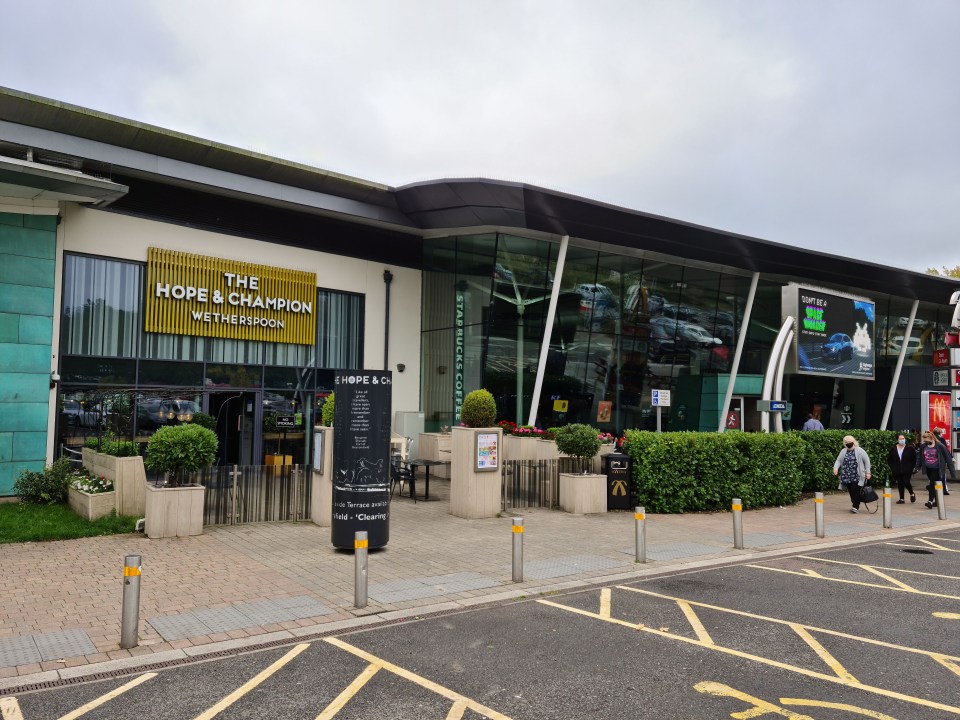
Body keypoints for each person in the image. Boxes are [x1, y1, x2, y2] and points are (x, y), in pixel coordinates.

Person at [916, 430, 956, 509]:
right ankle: (937, 501)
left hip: (937, 468)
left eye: (927, 440)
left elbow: (947, 458)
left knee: (932, 484)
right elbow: (920, 457)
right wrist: (916, 467)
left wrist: (952, 473)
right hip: (928, 469)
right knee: (936, 486)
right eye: (924, 441)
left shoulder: (940, 446)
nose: (925, 442)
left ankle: (930, 501)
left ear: (931, 438)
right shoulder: (923, 446)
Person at [833, 434, 871, 513]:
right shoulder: (843, 451)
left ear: (854, 442)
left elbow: (867, 461)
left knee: (855, 489)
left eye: (849, 442)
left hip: (857, 475)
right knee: (851, 491)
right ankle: (855, 503)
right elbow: (838, 460)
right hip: (847, 475)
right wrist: (836, 468)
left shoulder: (860, 450)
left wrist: (868, 472)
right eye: (846, 442)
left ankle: (855, 506)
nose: (848, 443)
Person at [886, 433, 917, 504]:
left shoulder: (910, 448)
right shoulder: (893, 449)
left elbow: (914, 458)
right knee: (900, 483)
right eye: (900, 439)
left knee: (906, 482)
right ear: (897, 440)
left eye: (903, 438)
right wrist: (892, 467)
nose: (902, 440)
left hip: (907, 469)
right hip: (897, 469)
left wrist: (912, 467)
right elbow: (889, 459)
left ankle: (912, 493)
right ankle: (901, 498)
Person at [933, 428, 951, 495]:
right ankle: (942, 490)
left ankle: (936, 489)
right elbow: (945, 449)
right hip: (941, 460)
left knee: (935, 477)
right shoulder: (941, 439)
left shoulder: (932, 439)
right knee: (942, 477)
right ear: (940, 432)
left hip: (932, 461)